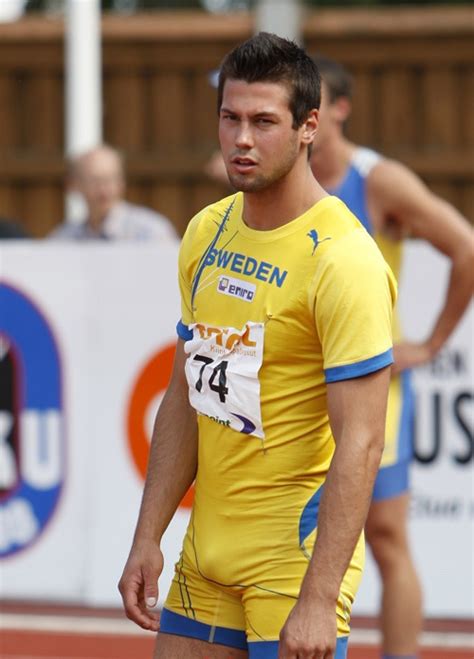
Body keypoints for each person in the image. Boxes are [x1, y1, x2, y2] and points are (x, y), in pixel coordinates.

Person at [119, 33, 397, 659]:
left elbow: (363, 440)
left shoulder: (343, 259)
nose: (243, 139)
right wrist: (147, 536)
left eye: (264, 122)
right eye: (231, 118)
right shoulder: (206, 231)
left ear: (308, 128)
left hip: (291, 564)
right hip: (205, 553)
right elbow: (187, 396)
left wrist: (320, 599)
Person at [309, 55, 474, 659]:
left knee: (383, 534)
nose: (304, 113)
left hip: (368, 385)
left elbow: (466, 248)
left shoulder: (378, 181)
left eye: (315, 101)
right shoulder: (280, 176)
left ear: (341, 110)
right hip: (297, 387)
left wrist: (431, 344)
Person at [49, 144, 177, 241]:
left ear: (122, 182)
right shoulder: (63, 239)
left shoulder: (151, 232)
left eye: (110, 180)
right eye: (94, 181)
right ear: (73, 185)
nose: (104, 190)